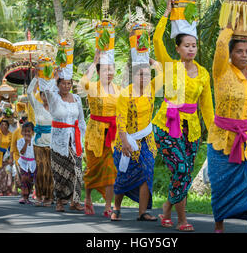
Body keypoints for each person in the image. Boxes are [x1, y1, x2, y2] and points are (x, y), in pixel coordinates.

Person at [152, 0, 215, 232]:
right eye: (186, 45)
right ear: (177, 48)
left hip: (192, 131)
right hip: (167, 126)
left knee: (185, 173)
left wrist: (215, 133)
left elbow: (207, 108)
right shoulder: (171, 66)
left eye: (194, 45)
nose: (191, 49)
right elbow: (157, 39)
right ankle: (181, 220)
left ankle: (167, 207)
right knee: (180, 169)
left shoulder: (203, 74)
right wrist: (167, 13)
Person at [206, 24, 247, 233]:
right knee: (221, 187)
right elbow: (220, 45)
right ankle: (219, 226)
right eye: (239, 51)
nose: (244, 56)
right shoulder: (221, 72)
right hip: (221, 140)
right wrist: (229, 26)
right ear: (231, 53)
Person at [110, 59, 162, 222]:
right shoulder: (126, 94)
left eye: (147, 74)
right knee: (123, 174)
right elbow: (121, 119)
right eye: (140, 74)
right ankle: (116, 208)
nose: (144, 78)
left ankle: (142, 212)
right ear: (133, 76)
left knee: (147, 172)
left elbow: (161, 72)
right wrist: (125, 141)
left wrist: (151, 61)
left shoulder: (152, 88)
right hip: (127, 140)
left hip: (146, 140)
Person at [39, 68, 87, 213]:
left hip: (74, 139)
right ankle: (60, 201)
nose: (66, 86)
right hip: (59, 141)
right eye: (63, 83)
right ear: (58, 84)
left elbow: (81, 120)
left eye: (69, 83)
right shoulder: (54, 99)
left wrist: (82, 140)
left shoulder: (77, 99)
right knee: (60, 173)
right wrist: (54, 77)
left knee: (77, 170)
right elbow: (47, 90)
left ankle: (75, 201)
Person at [81, 49, 119, 217]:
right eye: (104, 69)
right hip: (95, 134)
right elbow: (82, 83)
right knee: (92, 169)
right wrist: (94, 60)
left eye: (111, 69)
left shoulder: (119, 90)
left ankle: (108, 206)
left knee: (111, 170)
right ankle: (88, 198)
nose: (109, 73)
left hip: (113, 135)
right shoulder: (93, 88)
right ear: (98, 72)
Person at [27, 76, 54, 207]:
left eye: (48, 95)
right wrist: (36, 78)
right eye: (43, 95)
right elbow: (28, 92)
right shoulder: (37, 106)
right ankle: (39, 195)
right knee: (40, 171)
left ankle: (49, 197)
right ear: (41, 96)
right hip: (38, 143)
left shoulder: (56, 108)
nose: (46, 97)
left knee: (49, 171)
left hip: (52, 144)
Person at [0, 116, 14, 196]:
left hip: (7, 156)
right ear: (0, 126)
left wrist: (11, 158)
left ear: (8, 126)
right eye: (2, 124)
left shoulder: (11, 134)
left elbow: (12, 147)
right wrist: (2, 117)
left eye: (5, 125)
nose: (4, 126)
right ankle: (1, 190)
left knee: (7, 174)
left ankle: (7, 190)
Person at [17, 121, 36, 204]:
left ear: (32, 132)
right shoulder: (20, 141)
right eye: (24, 131)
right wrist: (26, 143)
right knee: (24, 179)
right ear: (21, 132)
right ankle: (24, 196)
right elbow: (22, 152)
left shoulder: (35, 140)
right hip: (23, 163)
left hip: (33, 163)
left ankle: (28, 196)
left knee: (30, 180)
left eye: (28, 131)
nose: (26, 133)